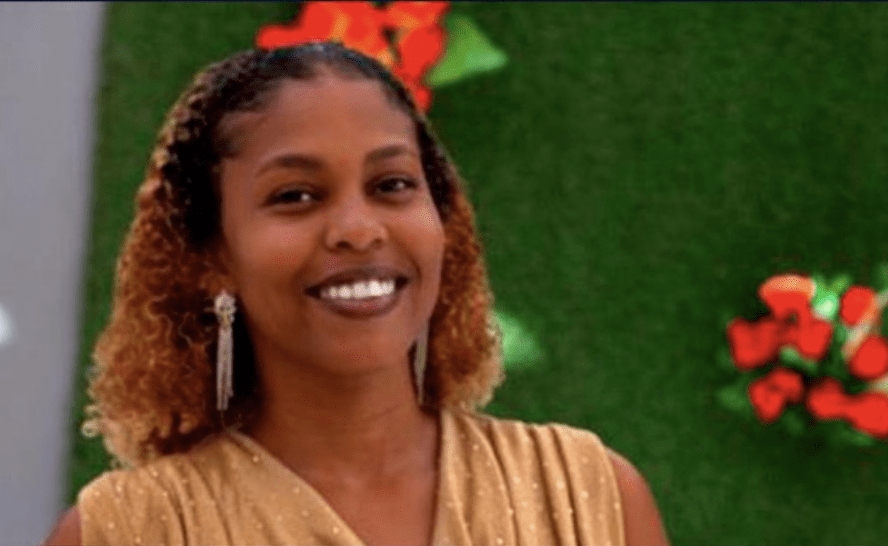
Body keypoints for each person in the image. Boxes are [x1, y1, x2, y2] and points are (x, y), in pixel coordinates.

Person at [44, 41, 668, 546]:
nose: (358, 229)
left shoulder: (589, 496)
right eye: (295, 196)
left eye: (392, 184)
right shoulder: (129, 532)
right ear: (212, 257)